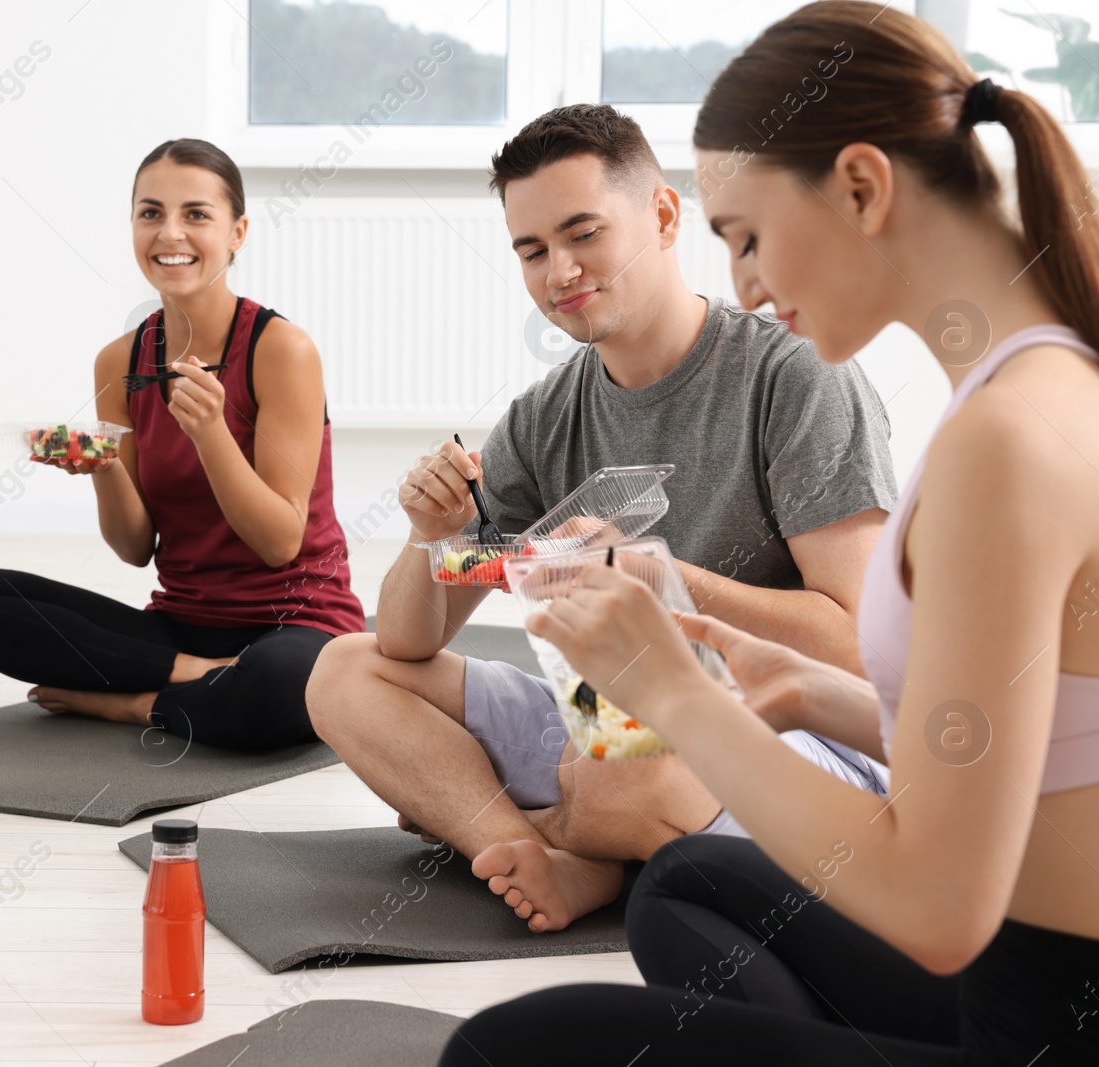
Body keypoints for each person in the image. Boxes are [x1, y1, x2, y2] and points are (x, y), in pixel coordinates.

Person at [441, 3, 1099, 1063]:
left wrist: (673, 690)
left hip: (1059, 1025)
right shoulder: (1055, 374)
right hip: (1053, 975)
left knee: (513, 1045)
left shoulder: (1004, 442)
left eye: (747, 237)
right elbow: (1054, 744)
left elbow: (936, 904)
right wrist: (806, 689)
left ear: (862, 187)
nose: (742, 283)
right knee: (687, 880)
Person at [307, 104, 899, 933]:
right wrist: (428, 536)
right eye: (532, 250)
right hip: (603, 722)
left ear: (661, 216)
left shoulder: (796, 378)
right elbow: (411, 642)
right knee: (343, 670)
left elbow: (860, 648)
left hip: (787, 737)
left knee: (633, 772)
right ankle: (551, 853)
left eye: (583, 233)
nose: (560, 271)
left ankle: (553, 836)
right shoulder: (543, 417)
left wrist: (660, 578)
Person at [0, 138, 363, 752]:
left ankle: (133, 703)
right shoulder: (119, 361)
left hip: (295, 625)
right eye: (151, 213)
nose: (170, 234)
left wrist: (210, 432)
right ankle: (201, 681)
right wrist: (103, 466)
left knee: (287, 688)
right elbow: (135, 548)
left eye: (196, 214)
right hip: (181, 630)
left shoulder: (279, 349)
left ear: (237, 232)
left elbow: (280, 542)